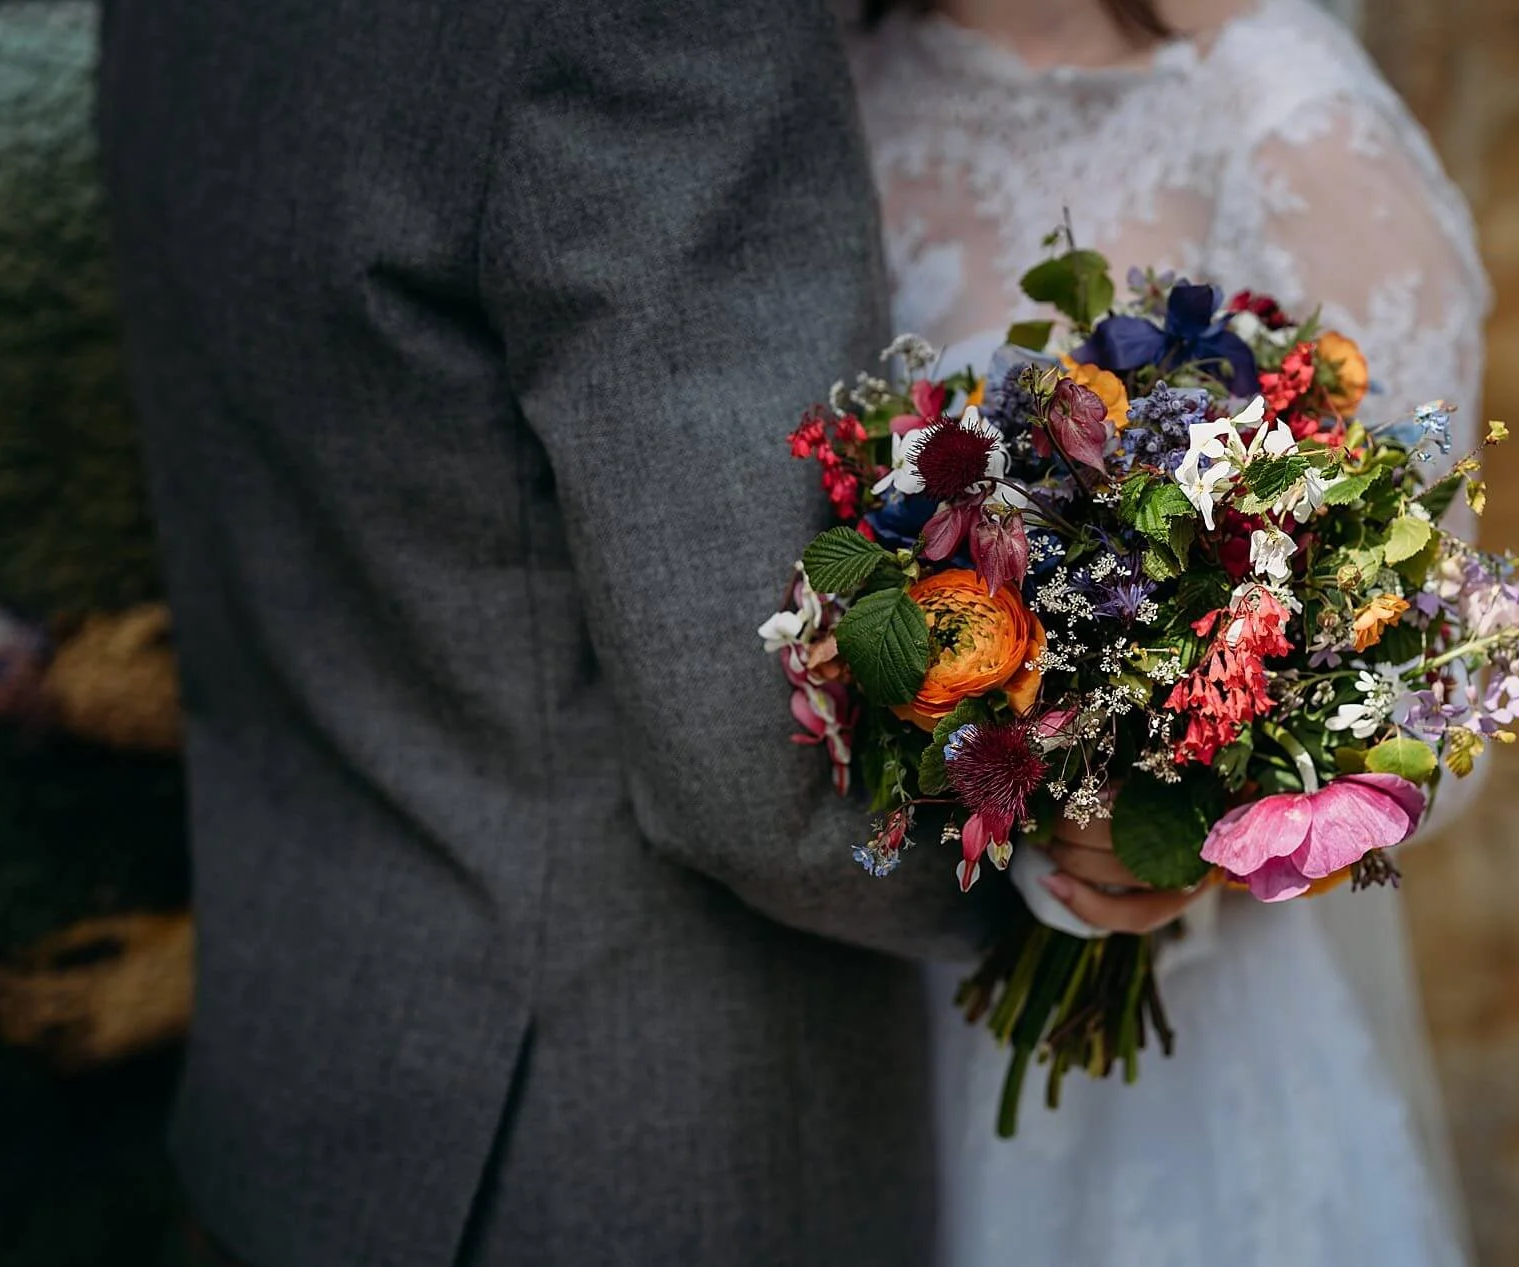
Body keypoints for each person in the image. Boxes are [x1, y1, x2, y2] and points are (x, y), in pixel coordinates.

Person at [93, 1, 1028, 1264]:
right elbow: (762, 756)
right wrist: (1080, 824)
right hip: (614, 1141)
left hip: (304, 1085)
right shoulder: (652, 27)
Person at [848, 1, 1491, 1263]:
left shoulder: (1281, 107)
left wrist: (1189, 825)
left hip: (1183, 1048)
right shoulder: (821, 91)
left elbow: (1439, 690)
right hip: (855, 999)